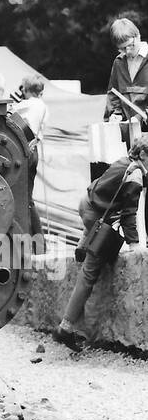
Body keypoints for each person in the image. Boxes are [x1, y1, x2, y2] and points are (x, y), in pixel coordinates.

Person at [54, 134, 148, 349]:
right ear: (143, 154)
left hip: (86, 203)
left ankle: (84, 242)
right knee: (89, 274)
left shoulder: (124, 162)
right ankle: (65, 328)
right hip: (95, 215)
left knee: (93, 240)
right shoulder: (135, 176)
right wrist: (134, 245)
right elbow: (129, 213)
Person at [11, 76, 47, 237]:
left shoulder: (27, 105)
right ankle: (38, 240)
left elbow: (10, 109)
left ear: (26, 90)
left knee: (24, 198)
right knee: (28, 198)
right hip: (35, 150)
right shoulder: (43, 106)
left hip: (25, 150)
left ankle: (35, 238)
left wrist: (17, 95)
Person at [104, 17, 148, 126]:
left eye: (130, 45)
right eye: (122, 48)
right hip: (128, 131)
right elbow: (113, 93)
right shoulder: (119, 62)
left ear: (137, 36)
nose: (127, 51)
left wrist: (140, 118)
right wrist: (116, 114)